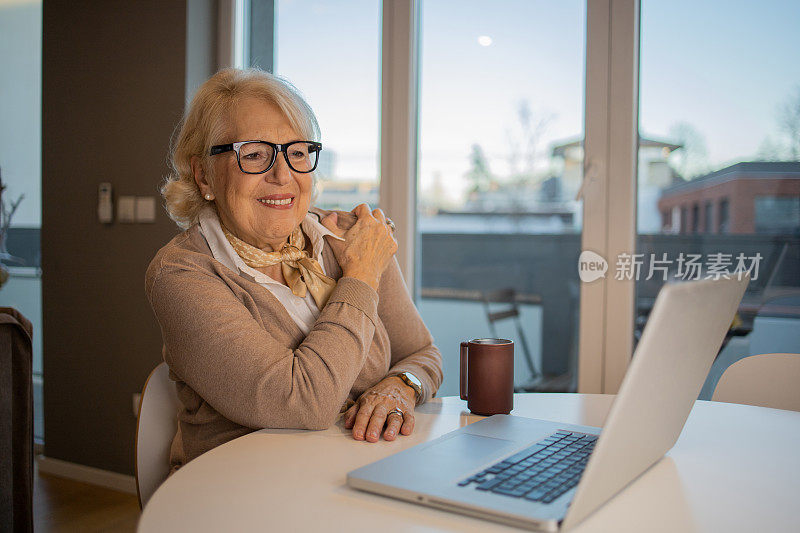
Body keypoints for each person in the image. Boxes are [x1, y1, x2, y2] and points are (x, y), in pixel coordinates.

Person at [145, 68, 442, 474]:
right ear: (203, 175)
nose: (282, 175)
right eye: (253, 154)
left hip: (361, 472)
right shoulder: (182, 274)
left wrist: (401, 386)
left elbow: (422, 354)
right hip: (240, 490)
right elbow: (304, 401)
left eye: (297, 152)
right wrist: (360, 278)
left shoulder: (346, 240)